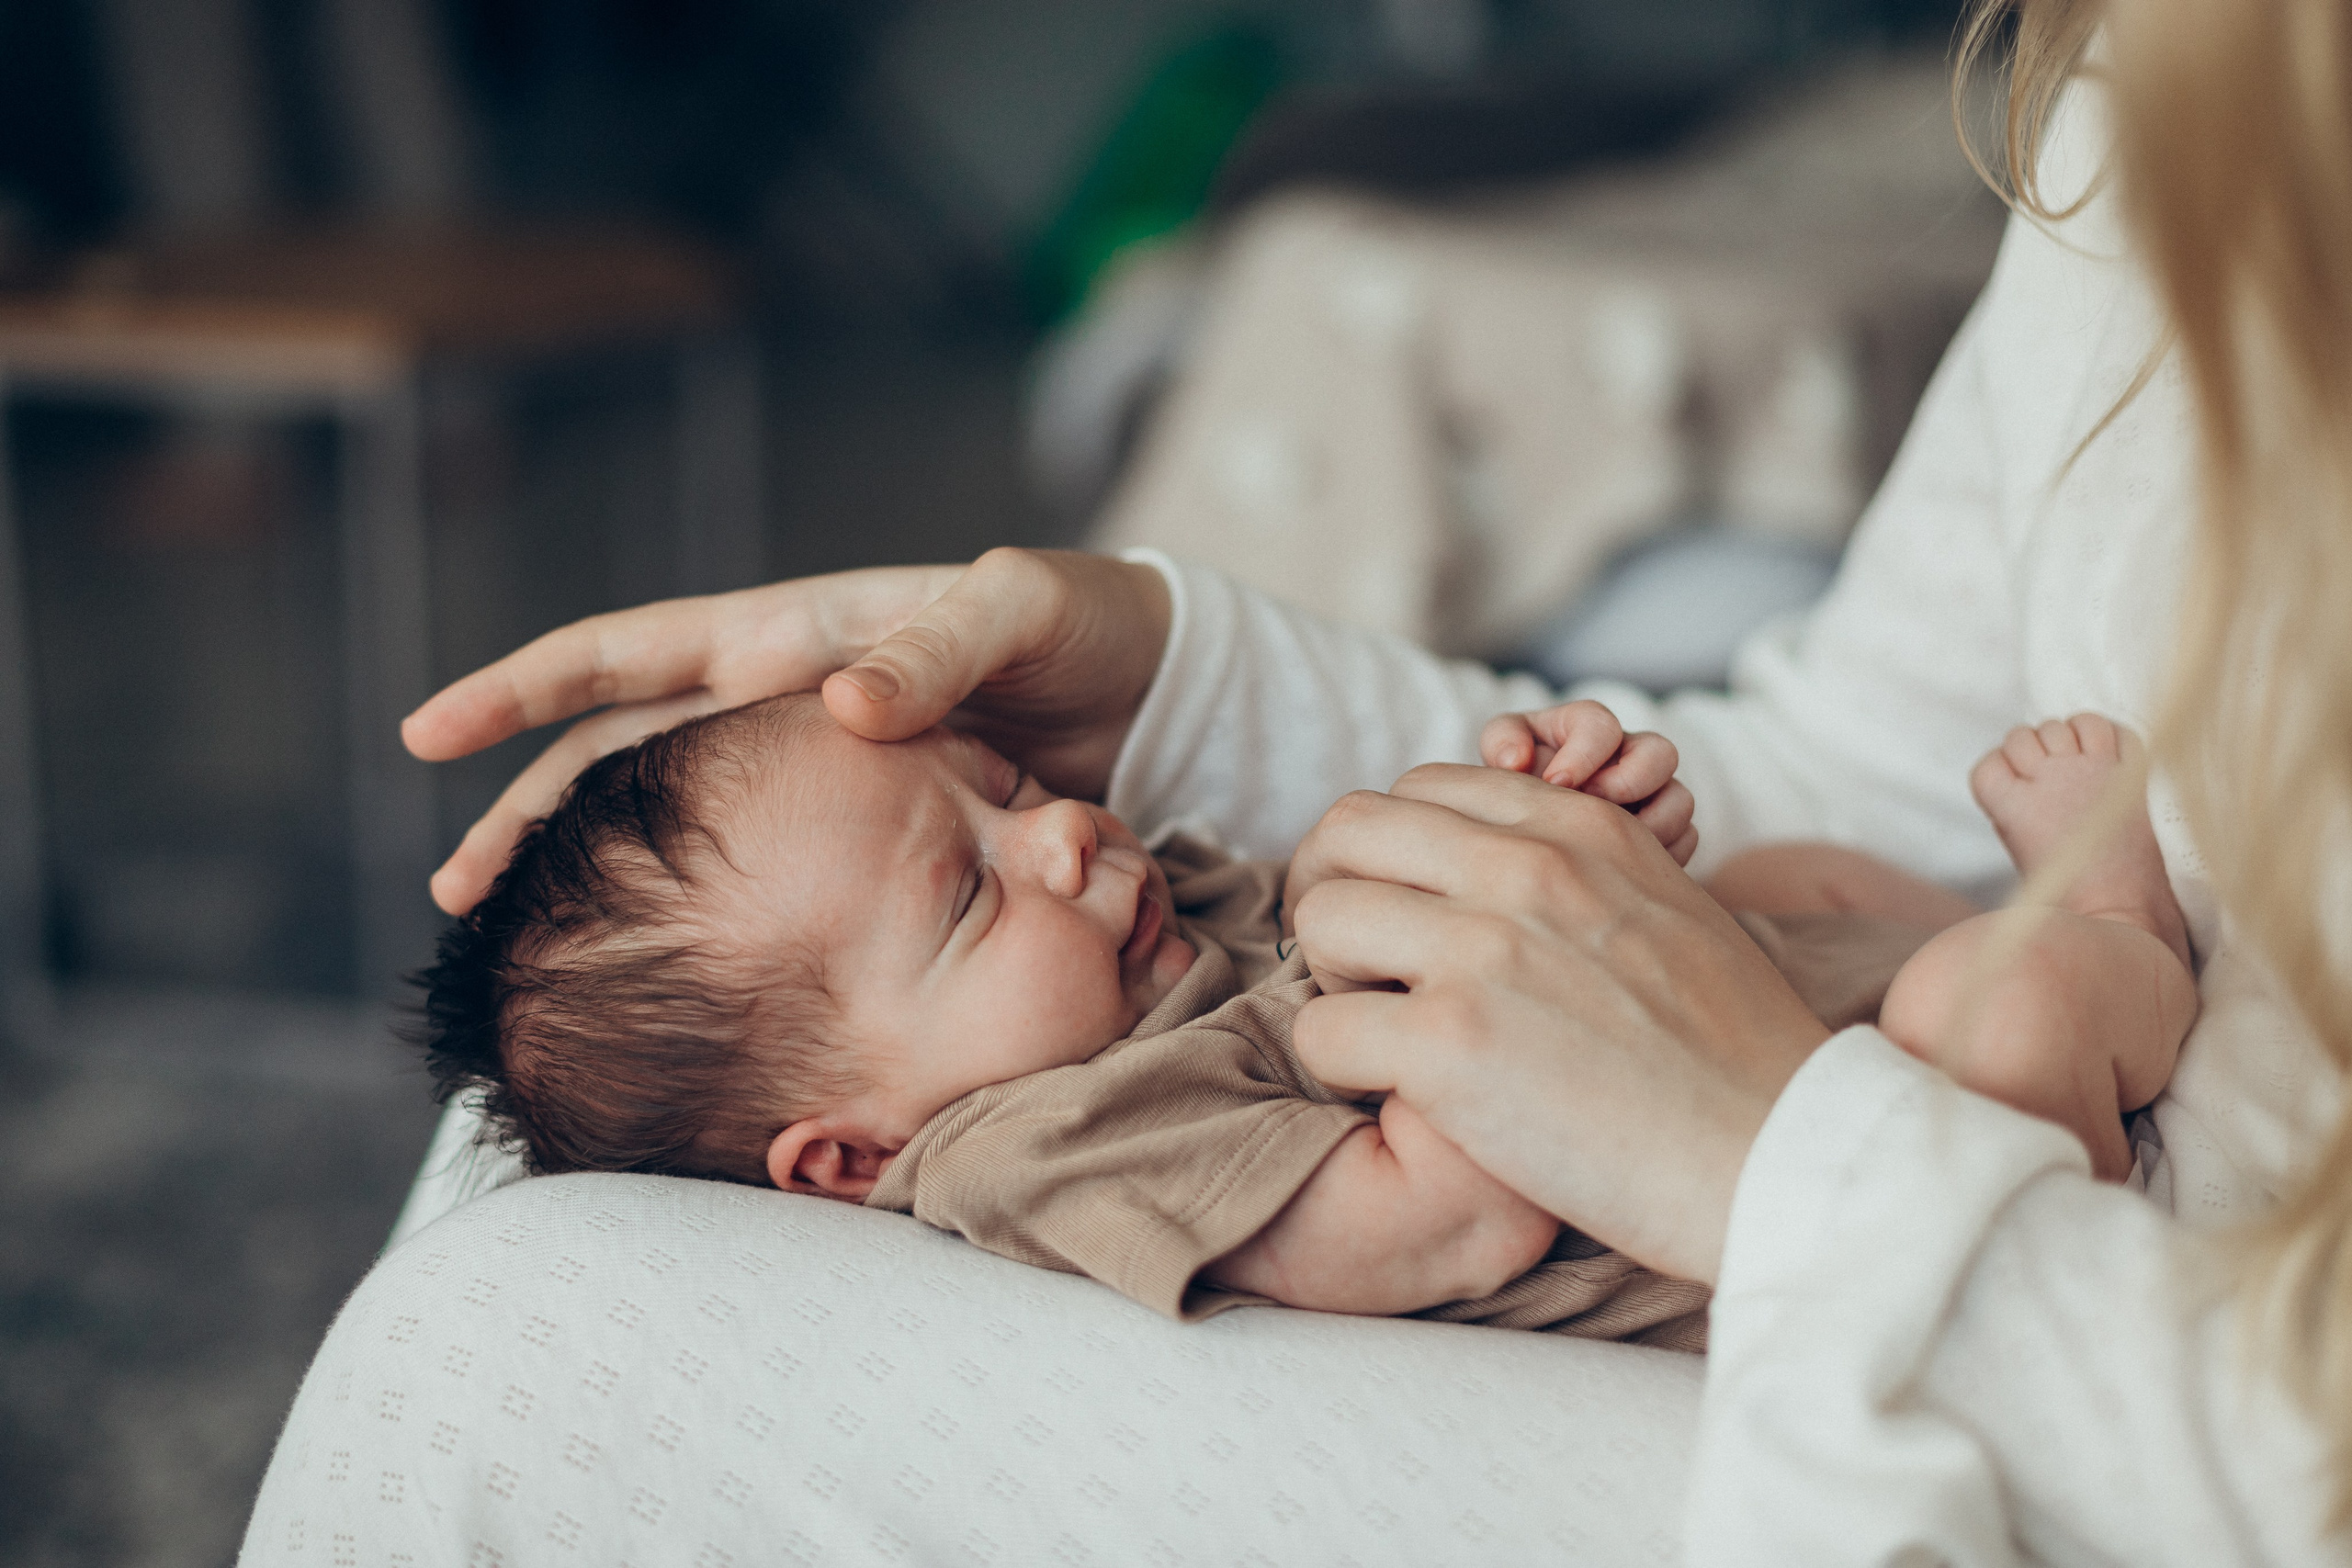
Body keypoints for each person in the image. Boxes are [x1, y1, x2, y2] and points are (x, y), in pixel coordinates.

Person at [399, 0, 2351, 1555]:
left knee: (496, 1350)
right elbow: (1818, 782)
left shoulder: (1067, 1016)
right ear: (846, 1165)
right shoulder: (1050, 1122)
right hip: (1824, 1147)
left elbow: (1506, 1099)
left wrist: (1638, 995)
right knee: (515, 1174)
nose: (1064, 825)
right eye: (976, 880)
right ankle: (2066, 949)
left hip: (2102, 1322)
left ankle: (2093, 942)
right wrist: (1174, 672)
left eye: (1009, 786)